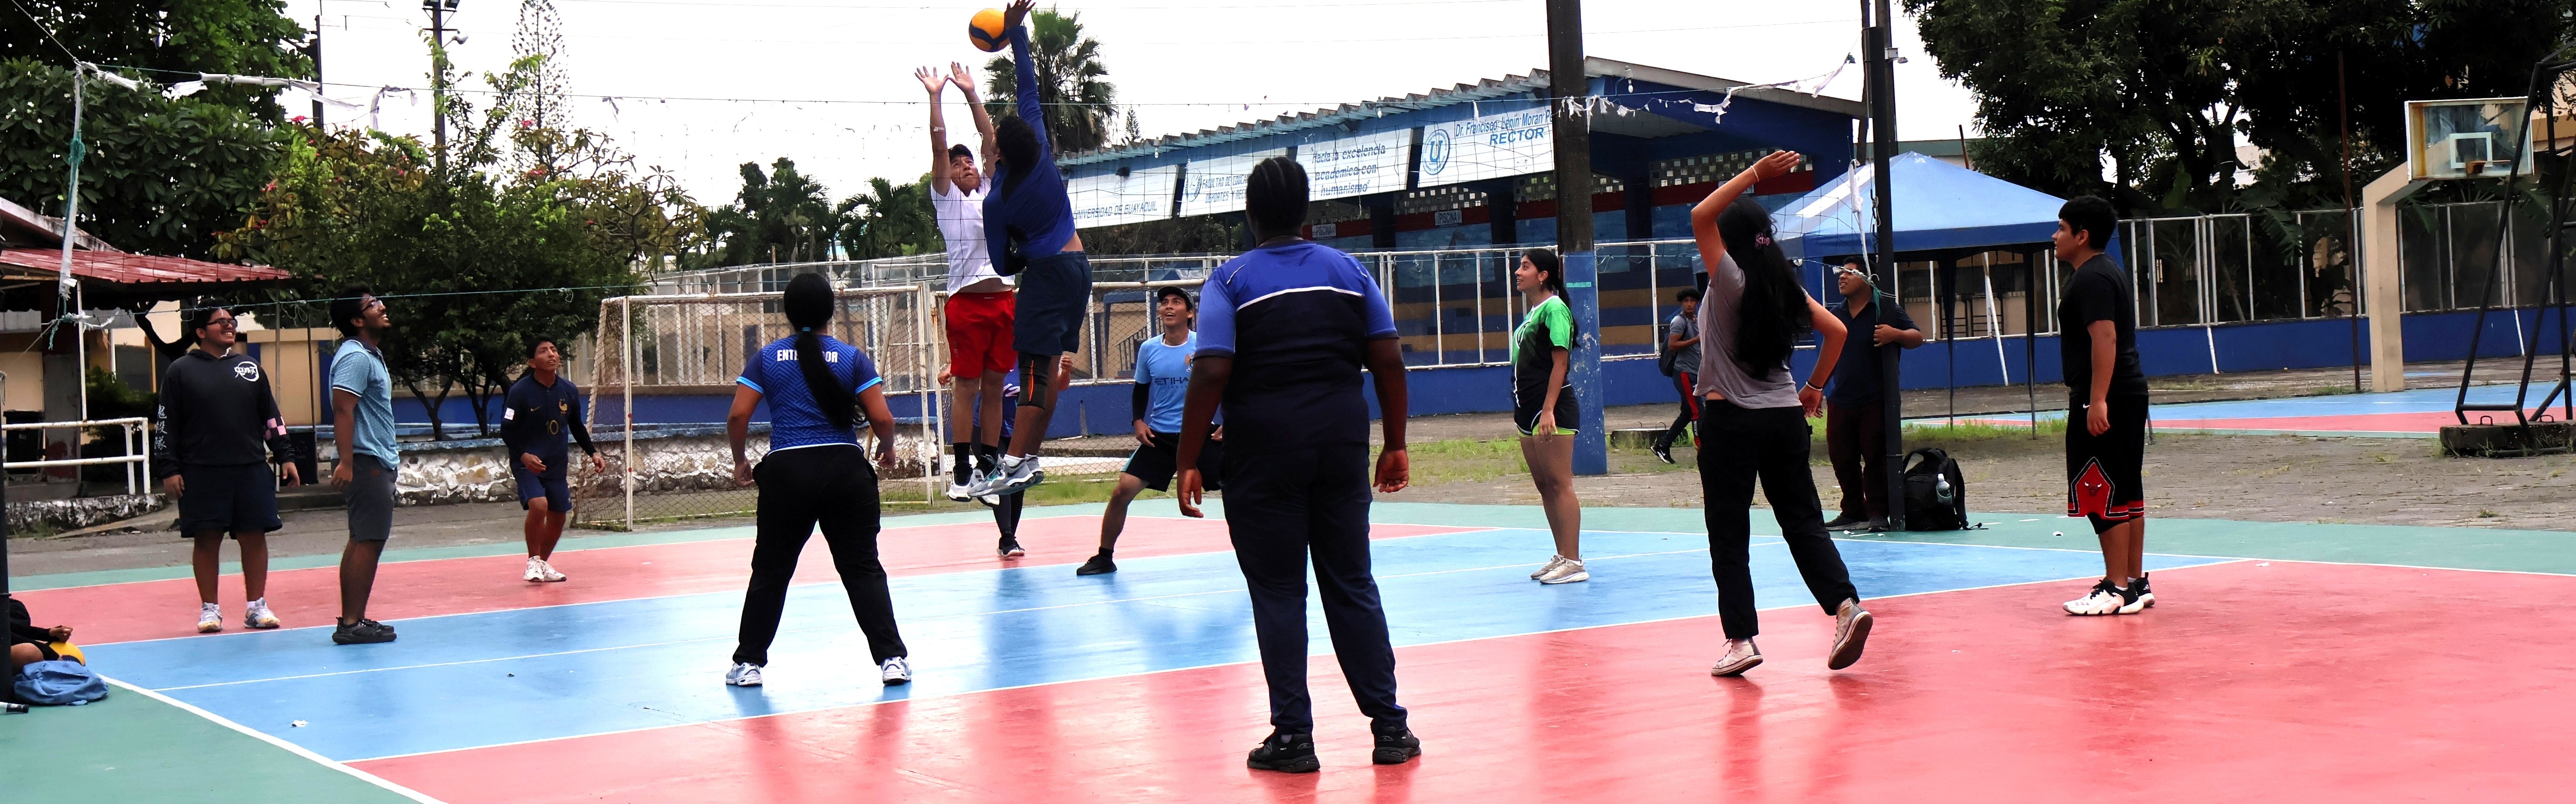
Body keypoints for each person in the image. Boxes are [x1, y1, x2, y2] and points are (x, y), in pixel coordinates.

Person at [1174, 156, 1420, 773]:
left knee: (1279, 591)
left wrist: (1189, 458)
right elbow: (1388, 360)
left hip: (1262, 455)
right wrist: (1396, 442)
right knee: (1351, 582)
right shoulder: (1350, 271)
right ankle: (1390, 727)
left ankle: (1295, 737)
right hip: (1340, 446)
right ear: (1306, 212)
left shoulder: (1229, 281)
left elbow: (1211, 368)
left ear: (1251, 215)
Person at [1690, 151, 1874, 678]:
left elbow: (1701, 216)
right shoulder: (1782, 286)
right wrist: (1814, 388)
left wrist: (1752, 177)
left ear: (1728, 240)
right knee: (1804, 523)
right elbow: (1836, 333)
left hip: (1732, 422)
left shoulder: (1730, 279)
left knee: (1729, 533)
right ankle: (1845, 607)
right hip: (1783, 419)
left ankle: (1742, 639)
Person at [724, 272, 912, 688]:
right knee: (862, 568)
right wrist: (888, 446)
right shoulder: (851, 357)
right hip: (846, 472)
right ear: (830, 312)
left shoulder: (768, 357)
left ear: (787, 313)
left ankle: (749, 664)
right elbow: (882, 418)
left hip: (788, 474)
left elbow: (738, 415)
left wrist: (741, 461)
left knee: (771, 570)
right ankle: (892, 661)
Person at [966, 0, 1091, 500]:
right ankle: (1029, 458)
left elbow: (1001, 264)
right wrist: (1017, 34)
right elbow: (1028, 86)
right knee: (1050, 367)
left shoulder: (998, 202)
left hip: (1048, 273)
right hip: (1081, 266)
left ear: (998, 154)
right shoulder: (1038, 143)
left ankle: (1013, 461)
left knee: (1034, 372)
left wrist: (1021, 253)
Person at [152, 298, 301, 634]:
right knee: (206, 539)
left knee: (254, 535)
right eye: (221, 321)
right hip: (200, 472)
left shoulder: (249, 368)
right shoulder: (180, 371)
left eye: (232, 321)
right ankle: (210, 610)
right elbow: (166, 424)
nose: (229, 325)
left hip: (250, 469)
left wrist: (286, 455)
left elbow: (271, 417)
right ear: (201, 331)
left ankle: (257, 607)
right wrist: (169, 468)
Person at [919, 60, 1017, 506]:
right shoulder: (948, 203)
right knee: (968, 386)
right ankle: (961, 468)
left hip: (1005, 302)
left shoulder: (992, 193)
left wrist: (971, 92)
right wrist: (937, 96)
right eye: (956, 164)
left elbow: (991, 140)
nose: (963, 166)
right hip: (966, 303)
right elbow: (940, 150)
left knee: (995, 388)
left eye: (968, 161)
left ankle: (991, 467)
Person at [1076, 286, 1224, 577]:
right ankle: (1105, 557)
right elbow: (1141, 389)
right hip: (1162, 438)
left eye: (1176, 303)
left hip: (1201, 434)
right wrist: (1138, 421)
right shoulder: (1149, 349)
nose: (1168, 307)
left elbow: (1228, 384)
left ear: (1190, 313)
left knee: (1239, 490)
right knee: (1122, 491)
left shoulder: (1204, 346)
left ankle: (1259, 554)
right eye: (1164, 303)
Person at [2054, 195, 2155, 616]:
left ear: (2082, 235)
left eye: (2061, 229)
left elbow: (2105, 338)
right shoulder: (2107, 270)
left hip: (2109, 396)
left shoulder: (2091, 278)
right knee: (2127, 489)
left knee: (2100, 488)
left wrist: (2097, 400)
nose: (2055, 236)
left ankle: (2114, 588)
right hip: (2128, 392)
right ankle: (2135, 582)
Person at [1822, 261, 1923, 532]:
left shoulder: (1886, 310)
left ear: (1868, 279)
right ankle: (1853, 510)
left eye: (1849, 273)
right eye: (1839, 273)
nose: (1842, 277)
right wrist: (1819, 388)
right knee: (1842, 458)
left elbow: (1917, 337)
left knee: (1876, 457)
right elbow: (1828, 355)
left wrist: (1896, 334)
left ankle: (1878, 513)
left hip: (1875, 399)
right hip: (1840, 398)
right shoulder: (1836, 314)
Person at [328, 287, 400, 646]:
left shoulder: (370, 355)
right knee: (369, 539)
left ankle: (353, 619)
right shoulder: (355, 357)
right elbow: (343, 409)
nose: (382, 307)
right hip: (366, 460)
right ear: (357, 320)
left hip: (375, 458)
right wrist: (346, 462)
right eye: (373, 305)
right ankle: (352, 623)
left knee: (364, 538)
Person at [501, 337, 605, 582]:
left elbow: (577, 426)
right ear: (532, 362)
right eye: (543, 351)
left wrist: (594, 453)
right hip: (527, 462)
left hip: (556, 463)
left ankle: (542, 564)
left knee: (559, 515)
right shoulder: (520, 392)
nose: (551, 354)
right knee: (539, 505)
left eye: (554, 350)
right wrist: (524, 455)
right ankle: (532, 561)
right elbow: (506, 430)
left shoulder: (568, 390)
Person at [1510, 248, 1586, 585]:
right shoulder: (1532, 314)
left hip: (1551, 409)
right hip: (1527, 410)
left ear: (1543, 275)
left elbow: (1560, 363)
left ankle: (1575, 561)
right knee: (1544, 485)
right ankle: (1561, 555)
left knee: (1560, 483)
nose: (1518, 272)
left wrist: (1549, 410)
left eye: (1525, 267)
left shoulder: (1555, 309)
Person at [1653, 288, 1702, 464]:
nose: (1689, 304)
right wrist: (1695, 340)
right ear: (1681, 303)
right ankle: (1702, 450)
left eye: (1692, 301)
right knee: (1698, 411)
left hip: (1695, 374)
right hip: (1683, 373)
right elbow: (1673, 345)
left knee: (1688, 413)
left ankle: (1663, 446)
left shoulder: (1697, 321)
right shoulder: (1679, 322)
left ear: (1697, 303)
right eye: (1686, 301)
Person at [8, 597, 73, 679]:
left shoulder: (13, 606)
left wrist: (47, 634)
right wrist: (49, 653)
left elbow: (8, 627)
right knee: (29, 653)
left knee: (16, 610)